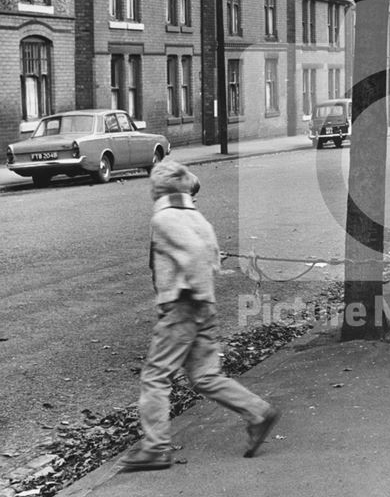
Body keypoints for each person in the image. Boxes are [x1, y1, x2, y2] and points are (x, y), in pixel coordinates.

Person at [119, 160, 280, 471]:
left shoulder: (164, 218)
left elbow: (193, 254)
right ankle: (257, 411)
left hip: (183, 306)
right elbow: (213, 258)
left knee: (155, 376)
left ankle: (155, 447)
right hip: (205, 305)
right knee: (206, 376)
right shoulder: (199, 218)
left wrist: (187, 295)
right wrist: (201, 294)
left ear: (158, 189)